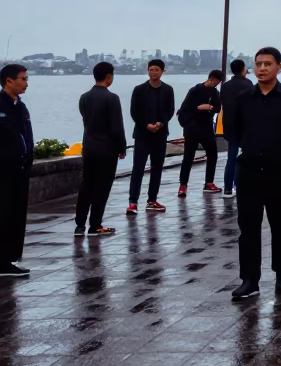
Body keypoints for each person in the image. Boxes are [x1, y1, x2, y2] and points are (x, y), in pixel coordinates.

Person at [229, 46, 281, 299]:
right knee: (248, 227)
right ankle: (249, 280)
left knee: (280, 223)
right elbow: (232, 131)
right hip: (249, 170)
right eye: (258, 64)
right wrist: (251, 145)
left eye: (267, 64)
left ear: (279, 67)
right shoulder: (243, 98)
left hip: (278, 170)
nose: (262, 68)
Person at [0, 64, 34, 280]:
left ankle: (4, 263)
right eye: (23, 79)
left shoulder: (21, 108)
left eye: (26, 79)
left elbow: (26, 137)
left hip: (18, 173)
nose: (26, 83)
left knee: (13, 219)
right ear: (9, 81)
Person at [76, 62, 127, 237]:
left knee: (87, 185)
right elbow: (117, 127)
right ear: (108, 77)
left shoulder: (84, 97)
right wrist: (122, 147)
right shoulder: (112, 98)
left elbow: (86, 120)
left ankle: (79, 225)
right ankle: (95, 224)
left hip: (89, 147)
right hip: (107, 149)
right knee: (102, 187)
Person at [127, 59, 175, 215]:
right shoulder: (139, 90)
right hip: (142, 135)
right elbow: (134, 112)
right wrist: (146, 125)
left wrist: (160, 123)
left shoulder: (168, 90)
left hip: (160, 135)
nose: (153, 72)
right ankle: (133, 202)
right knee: (138, 168)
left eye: (156, 70)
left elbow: (170, 110)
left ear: (162, 71)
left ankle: (152, 200)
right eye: (151, 69)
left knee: (157, 168)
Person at [176, 70, 223, 197]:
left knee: (212, 154)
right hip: (192, 128)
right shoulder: (195, 90)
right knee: (188, 156)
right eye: (217, 82)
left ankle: (209, 182)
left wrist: (210, 107)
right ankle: (183, 185)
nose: (217, 84)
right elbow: (184, 109)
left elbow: (218, 108)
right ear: (211, 79)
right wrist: (197, 110)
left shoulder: (214, 93)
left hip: (206, 127)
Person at [220, 59, 251, 198]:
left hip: (229, 125)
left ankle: (227, 188)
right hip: (245, 125)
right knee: (245, 156)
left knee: (231, 157)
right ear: (242, 69)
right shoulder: (248, 84)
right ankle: (239, 184)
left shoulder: (225, 86)